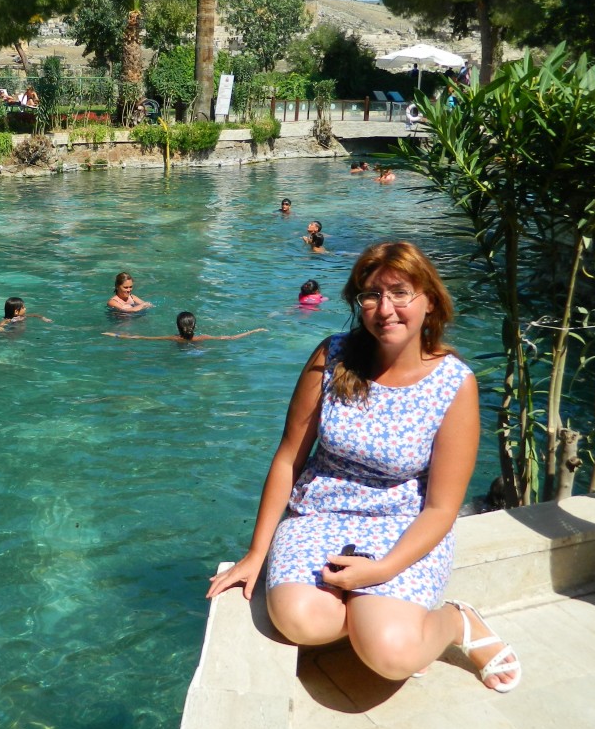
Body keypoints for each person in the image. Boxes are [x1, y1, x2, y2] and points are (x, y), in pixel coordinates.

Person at [206, 241, 520, 694]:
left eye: (400, 293)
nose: (385, 309)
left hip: (402, 526)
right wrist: (257, 552)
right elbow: (290, 456)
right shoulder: (332, 358)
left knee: (391, 656)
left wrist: (381, 571)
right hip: (319, 515)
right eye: (371, 295)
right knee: (301, 622)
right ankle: (379, 619)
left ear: (430, 301)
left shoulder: (454, 384)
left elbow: (441, 508)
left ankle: (455, 622)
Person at [103, 311, 266, 343]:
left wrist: (115, 335)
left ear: (178, 326)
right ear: (194, 325)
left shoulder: (174, 339)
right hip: (199, 352)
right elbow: (231, 337)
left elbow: (142, 337)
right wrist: (255, 330)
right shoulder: (202, 338)